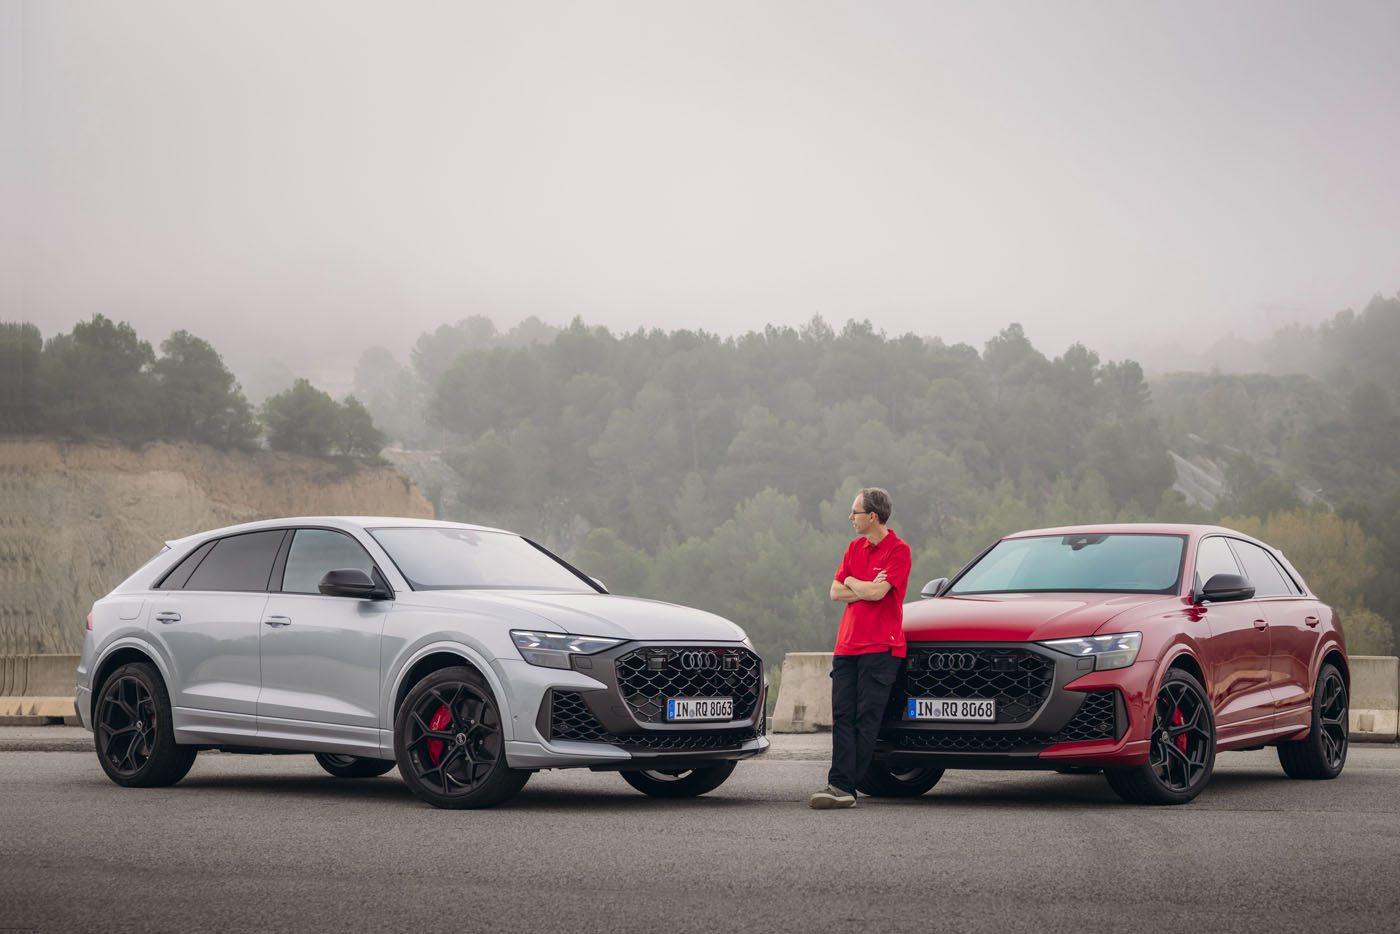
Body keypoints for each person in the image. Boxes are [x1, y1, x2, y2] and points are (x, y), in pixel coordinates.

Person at [808, 487, 911, 810]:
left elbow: (879, 595)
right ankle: (840, 785)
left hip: (882, 648)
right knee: (842, 716)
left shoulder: (899, 551)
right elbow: (835, 592)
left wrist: (855, 582)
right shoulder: (854, 548)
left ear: (873, 516)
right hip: (847, 646)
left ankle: (843, 786)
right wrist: (858, 585)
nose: (850, 518)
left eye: (855, 512)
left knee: (866, 719)